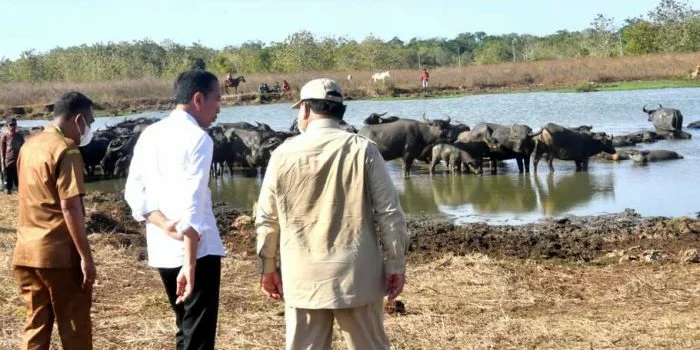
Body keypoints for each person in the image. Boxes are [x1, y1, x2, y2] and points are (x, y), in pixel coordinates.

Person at [256, 78, 408, 350]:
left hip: (302, 278)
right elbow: (389, 213)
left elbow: (267, 219)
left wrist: (267, 267)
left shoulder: (282, 154)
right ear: (341, 111)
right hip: (357, 276)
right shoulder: (363, 149)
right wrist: (395, 263)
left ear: (305, 110)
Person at [124, 69, 226, 350]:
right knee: (199, 336)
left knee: (184, 327)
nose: (219, 107)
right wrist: (190, 264)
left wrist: (163, 224)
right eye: (216, 99)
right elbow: (192, 203)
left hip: (162, 247)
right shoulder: (198, 138)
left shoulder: (151, 134)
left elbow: (134, 192)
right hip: (196, 252)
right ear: (198, 99)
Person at [12, 92, 96, 349]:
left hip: (26, 252)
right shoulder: (67, 150)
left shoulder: (29, 145)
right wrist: (86, 257)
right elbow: (70, 207)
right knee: (75, 329)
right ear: (78, 118)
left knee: (36, 327)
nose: (87, 130)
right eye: (89, 123)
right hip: (59, 256)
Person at [1, 117, 25, 194]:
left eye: (14, 125)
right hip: (8, 163)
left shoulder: (19, 136)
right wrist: (3, 165)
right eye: (11, 125)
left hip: (18, 163)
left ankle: (19, 196)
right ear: (7, 126)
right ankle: (8, 193)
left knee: (19, 182)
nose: (13, 127)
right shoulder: (4, 137)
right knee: (8, 183)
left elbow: (24, 149)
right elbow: (2, 152)